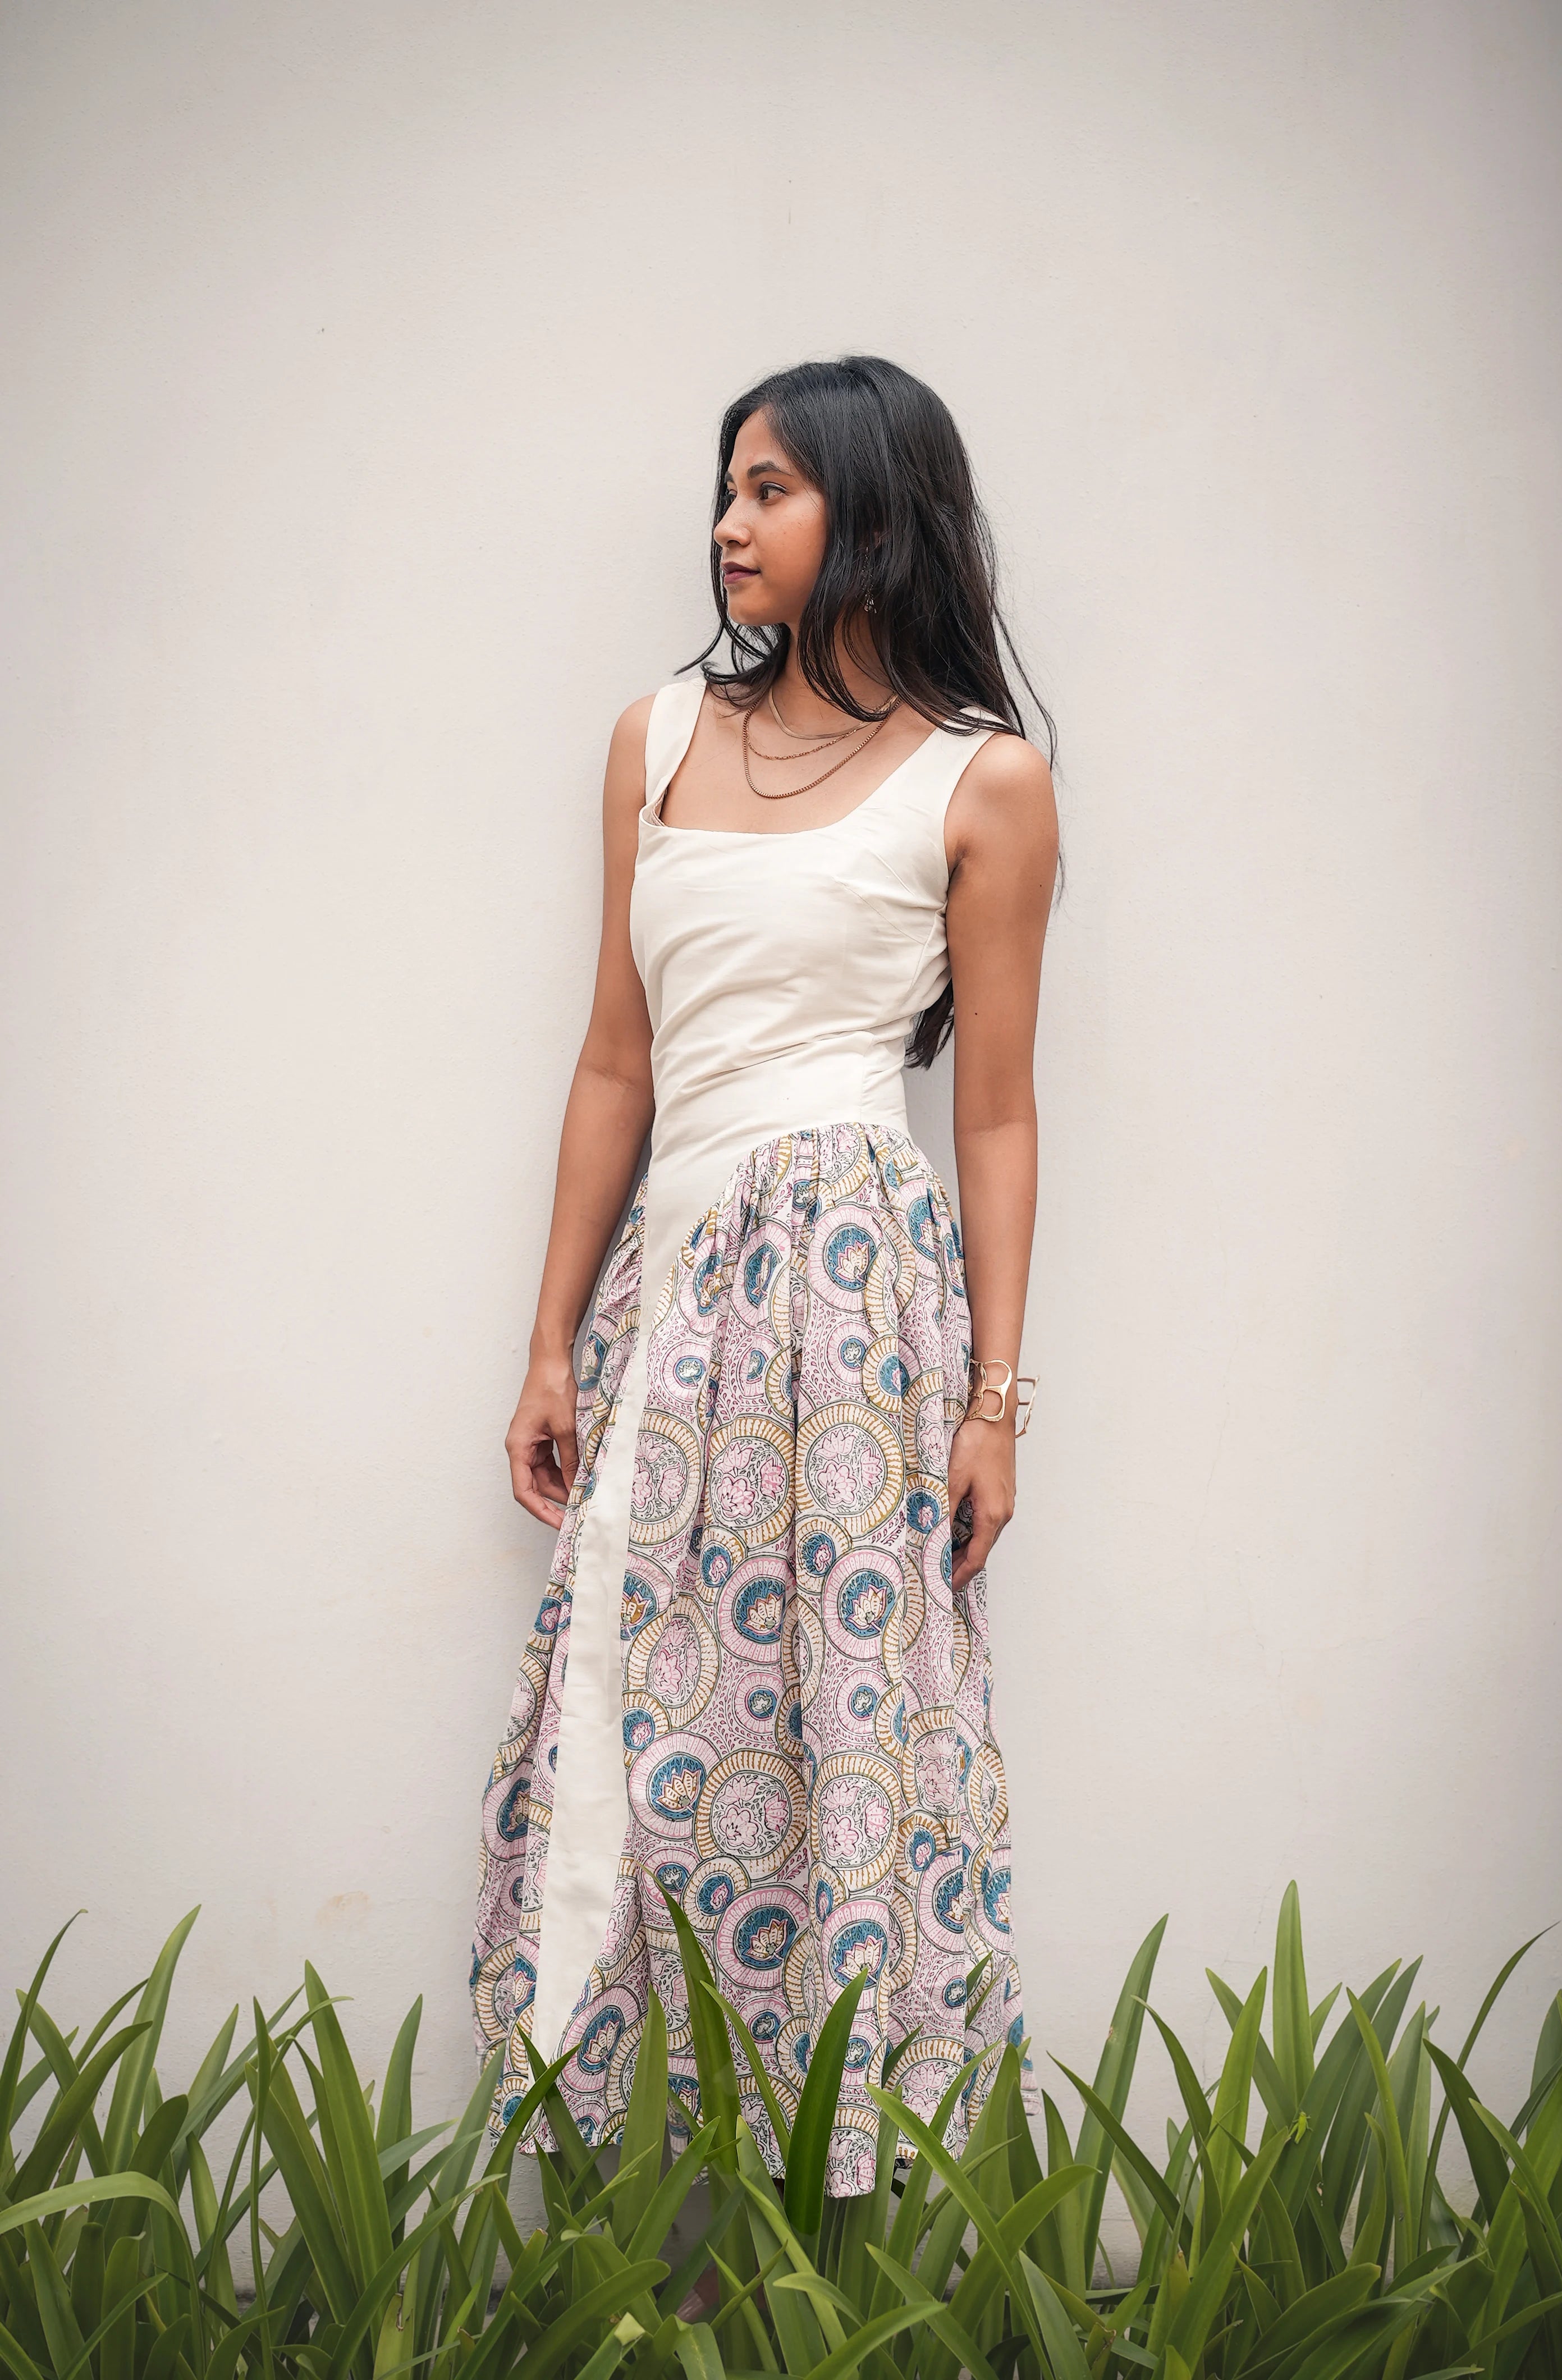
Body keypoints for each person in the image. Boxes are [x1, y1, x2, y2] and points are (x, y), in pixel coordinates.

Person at [471, 356, 1059, 2196]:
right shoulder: (653, 739)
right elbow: (614, 1067)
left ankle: (852, 2201)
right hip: (675, 1300)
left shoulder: (988, 781)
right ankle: (634, 2198)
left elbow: (998, 1121)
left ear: (875, 511)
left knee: (848, 1727)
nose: (730, 522)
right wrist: (550, 1341)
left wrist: (995, 1403)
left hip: (860, 1301)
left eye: (775, 488)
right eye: (728, 486)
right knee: (632, 1724)